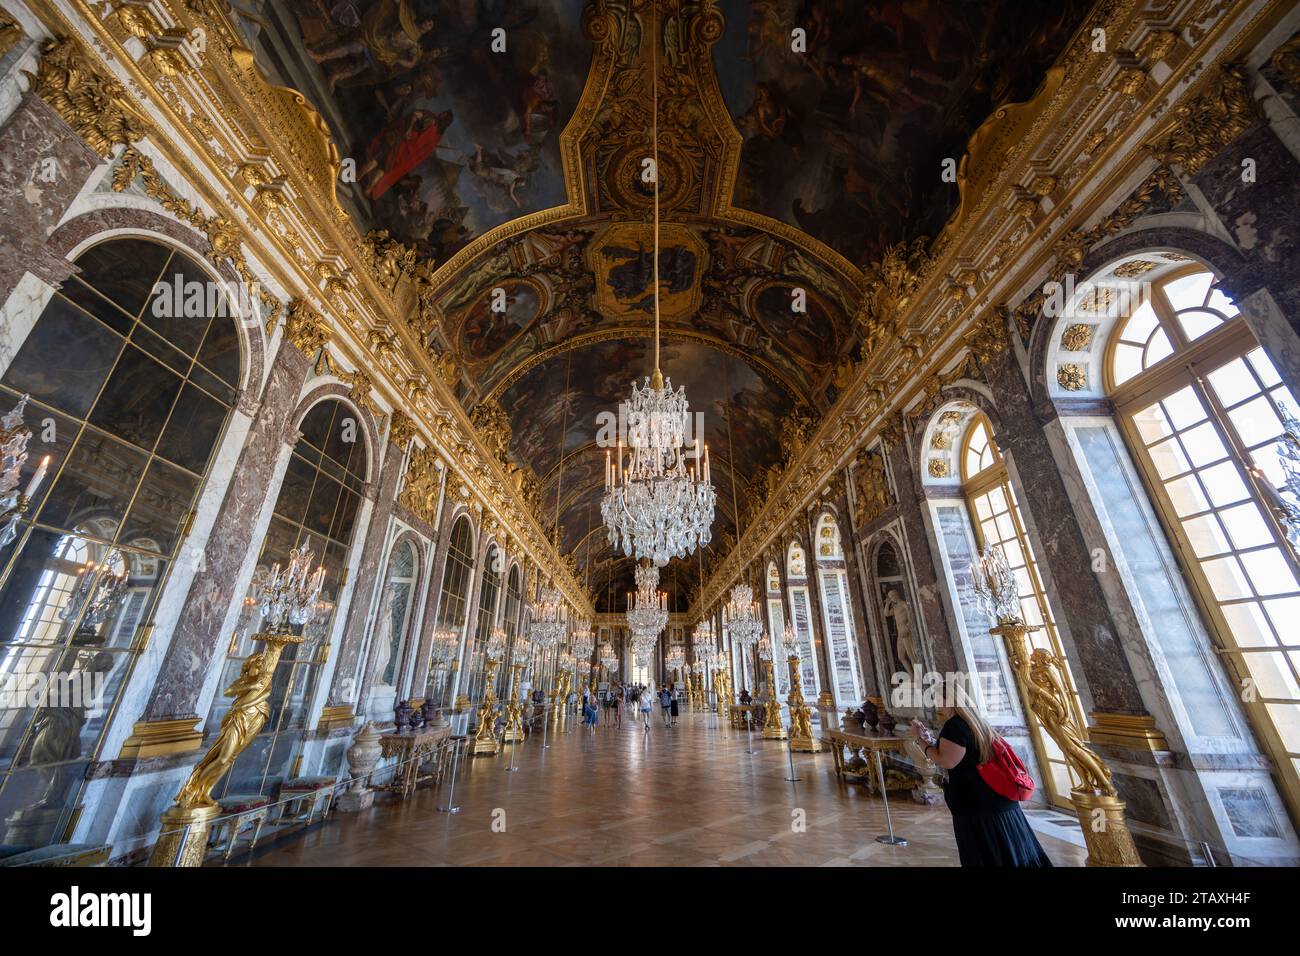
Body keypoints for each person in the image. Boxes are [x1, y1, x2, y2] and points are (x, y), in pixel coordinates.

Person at [911, 685, 1052, 867]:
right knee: (1013, 854)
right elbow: (963, 753)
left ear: (950, 700)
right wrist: (931, 741)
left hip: (978, 807)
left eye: (938, 699)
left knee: (988, 856)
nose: (937, 704)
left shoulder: (954, 725)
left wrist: (920, 741)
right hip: (998, 801)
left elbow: (946, 761)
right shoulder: (976, 721)